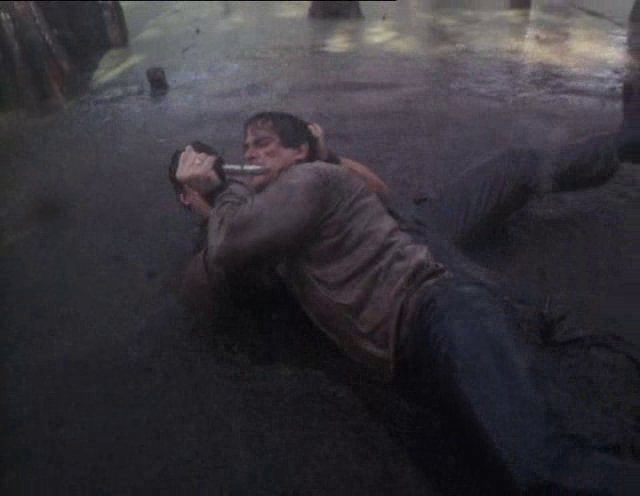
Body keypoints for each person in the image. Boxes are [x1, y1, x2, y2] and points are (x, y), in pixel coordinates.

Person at [170, 111, 639, 494]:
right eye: (246, 150)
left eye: (265, 144)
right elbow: (208, 287)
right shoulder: (249, 222)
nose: (251, 156)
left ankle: (624, 142)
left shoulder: (309, 180)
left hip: (418, 239)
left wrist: (323, 157)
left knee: (514, 167)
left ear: (300, 153)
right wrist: (210, 208)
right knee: (519, 456)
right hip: (418, 289)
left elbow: (380, 194)